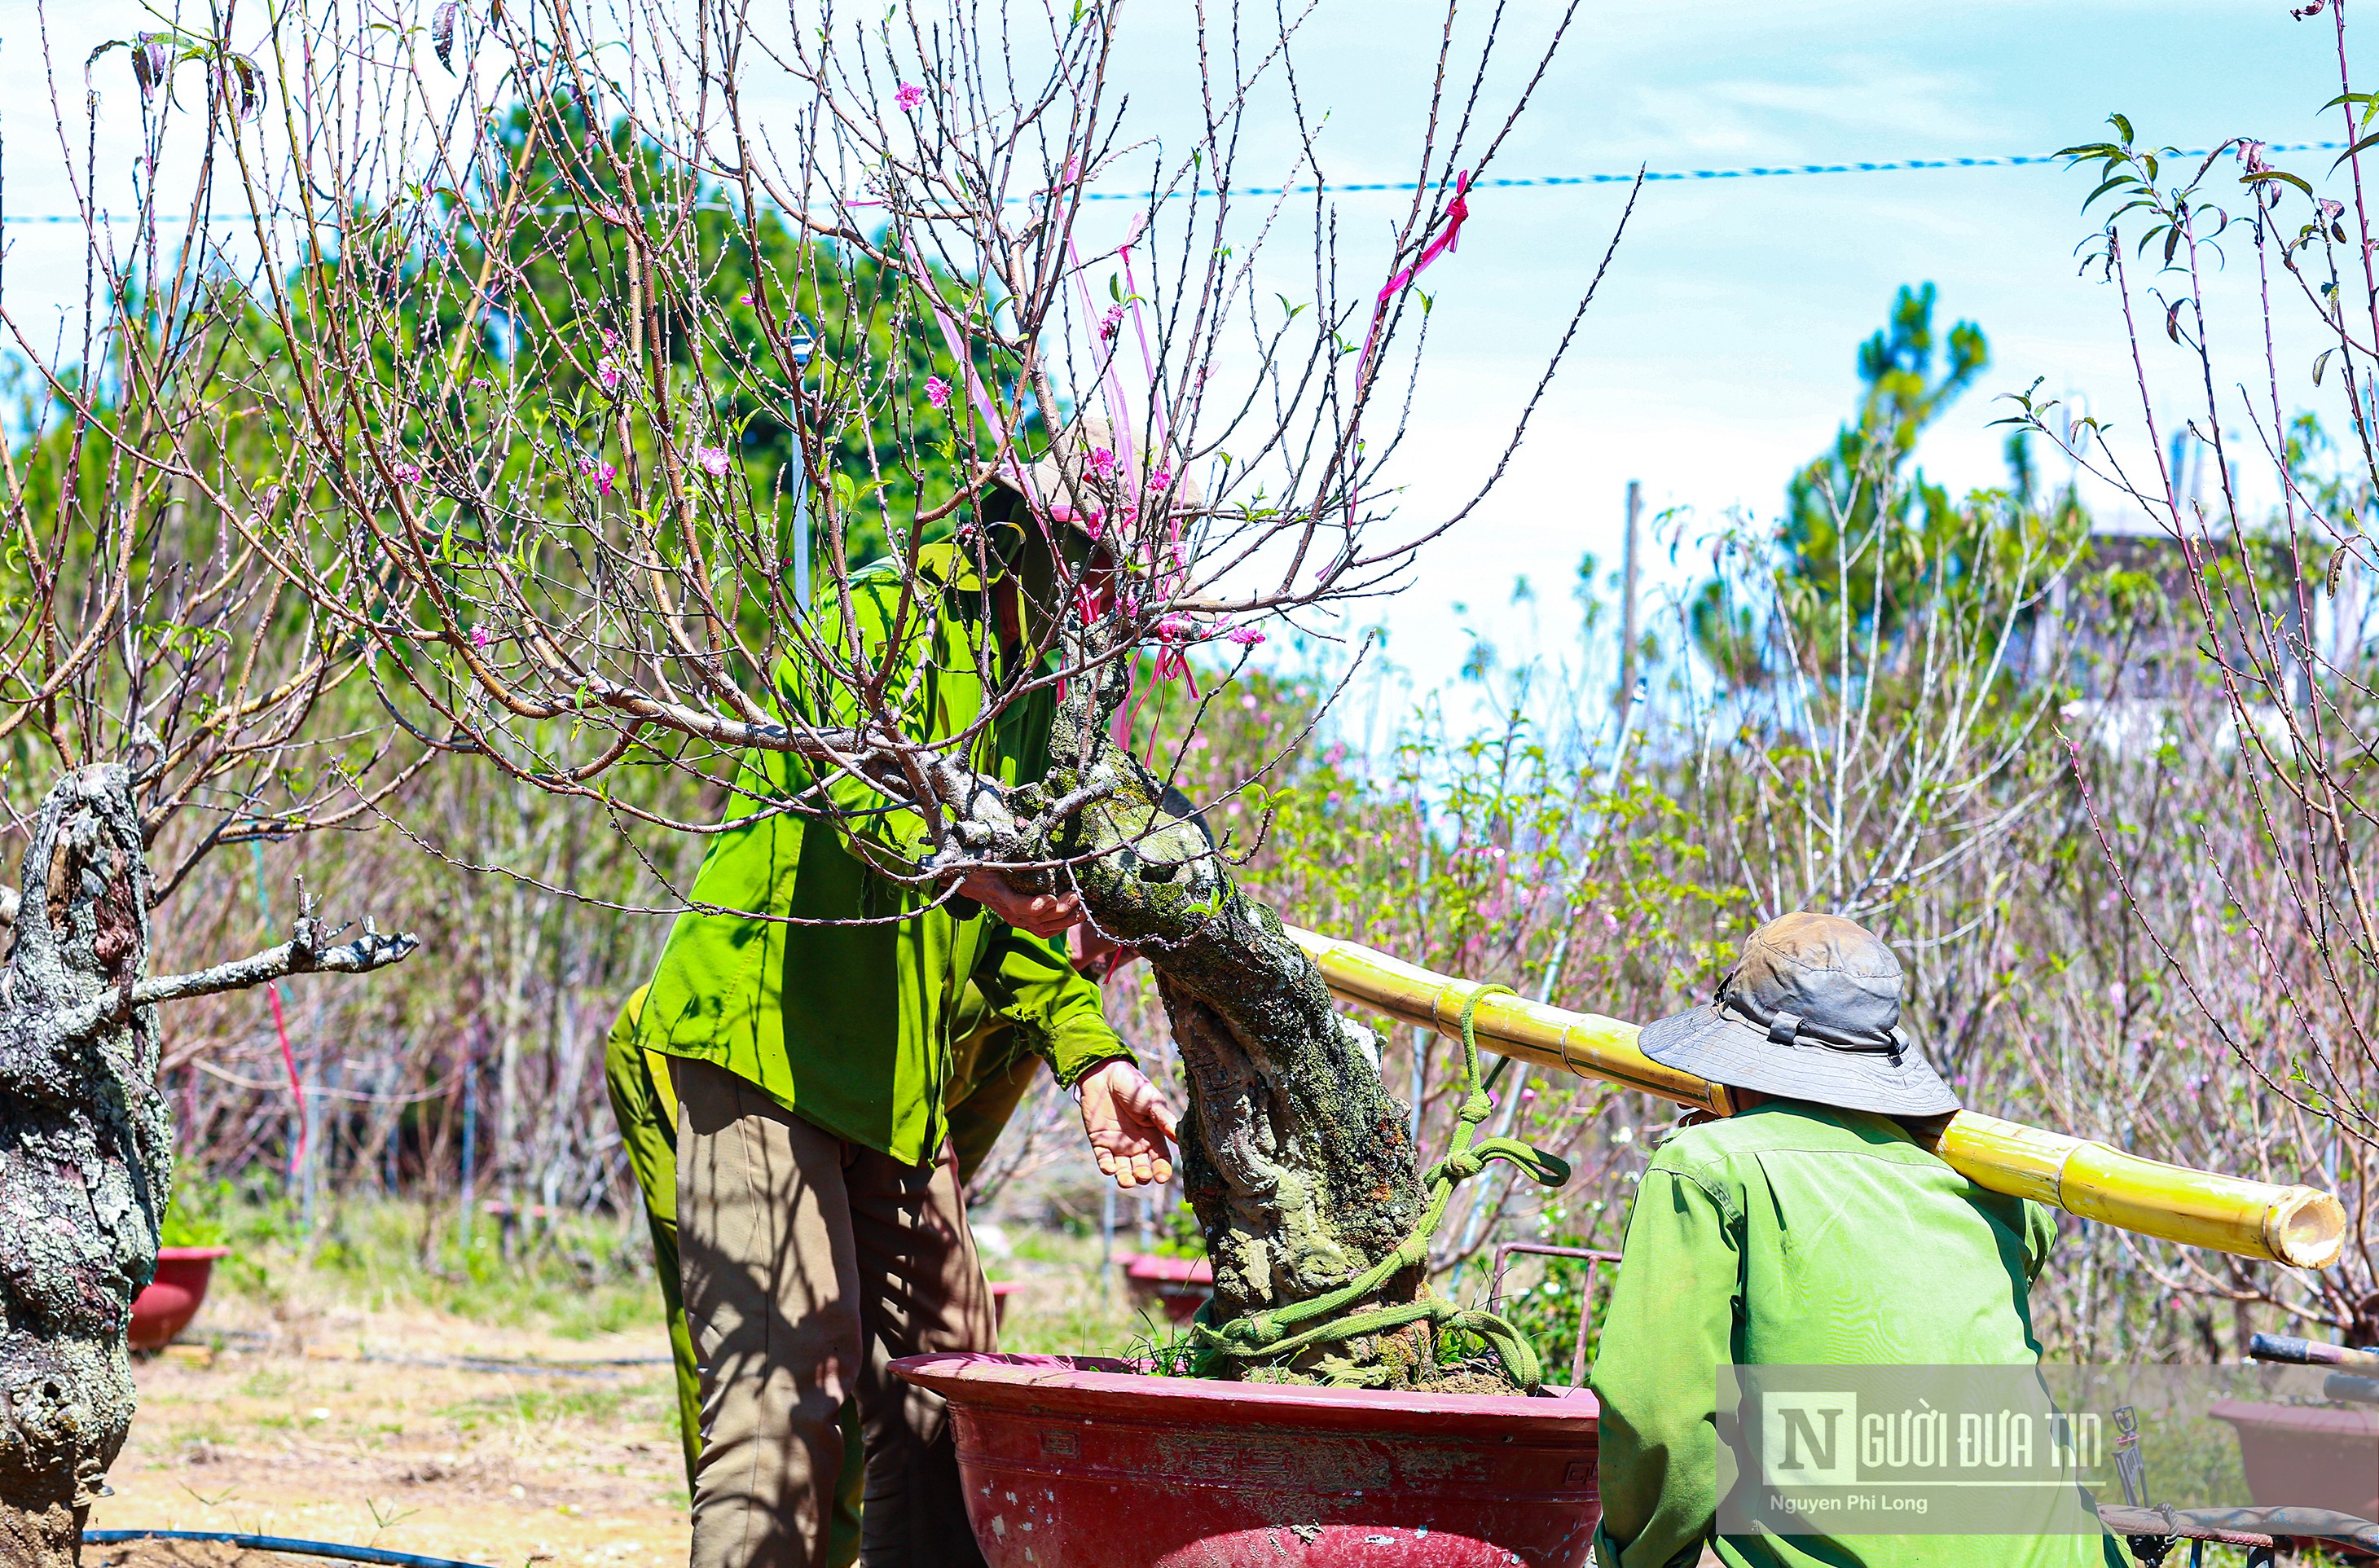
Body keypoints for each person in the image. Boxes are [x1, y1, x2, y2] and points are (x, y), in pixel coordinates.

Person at [635, 446, 1175, 1568]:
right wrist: (979, 868)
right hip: (760, 1051)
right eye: (1093, 560)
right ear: (1019, 536)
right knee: (785, 1397)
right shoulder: (882, 619)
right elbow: (859, 801)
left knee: (953, 1393)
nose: (1108, 592)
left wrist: (1092, 1057)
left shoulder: (1037, 699)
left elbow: (997, 938)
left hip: (887, 1081)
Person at [1590, 911, 2119, 1568]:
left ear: (1739, 1056)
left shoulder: (1710, 1165)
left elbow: (1657, 1419)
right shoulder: (1990, 1184)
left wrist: (1639, 1560)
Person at [605, 930, 1137, 1566]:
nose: (1103, 948)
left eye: (1121, 942)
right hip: (699, 1057)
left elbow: (951, 1151)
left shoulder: (1043, 1010)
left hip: (872, 1108)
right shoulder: (974, 930)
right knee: (774, 1347)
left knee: (916, 1361)